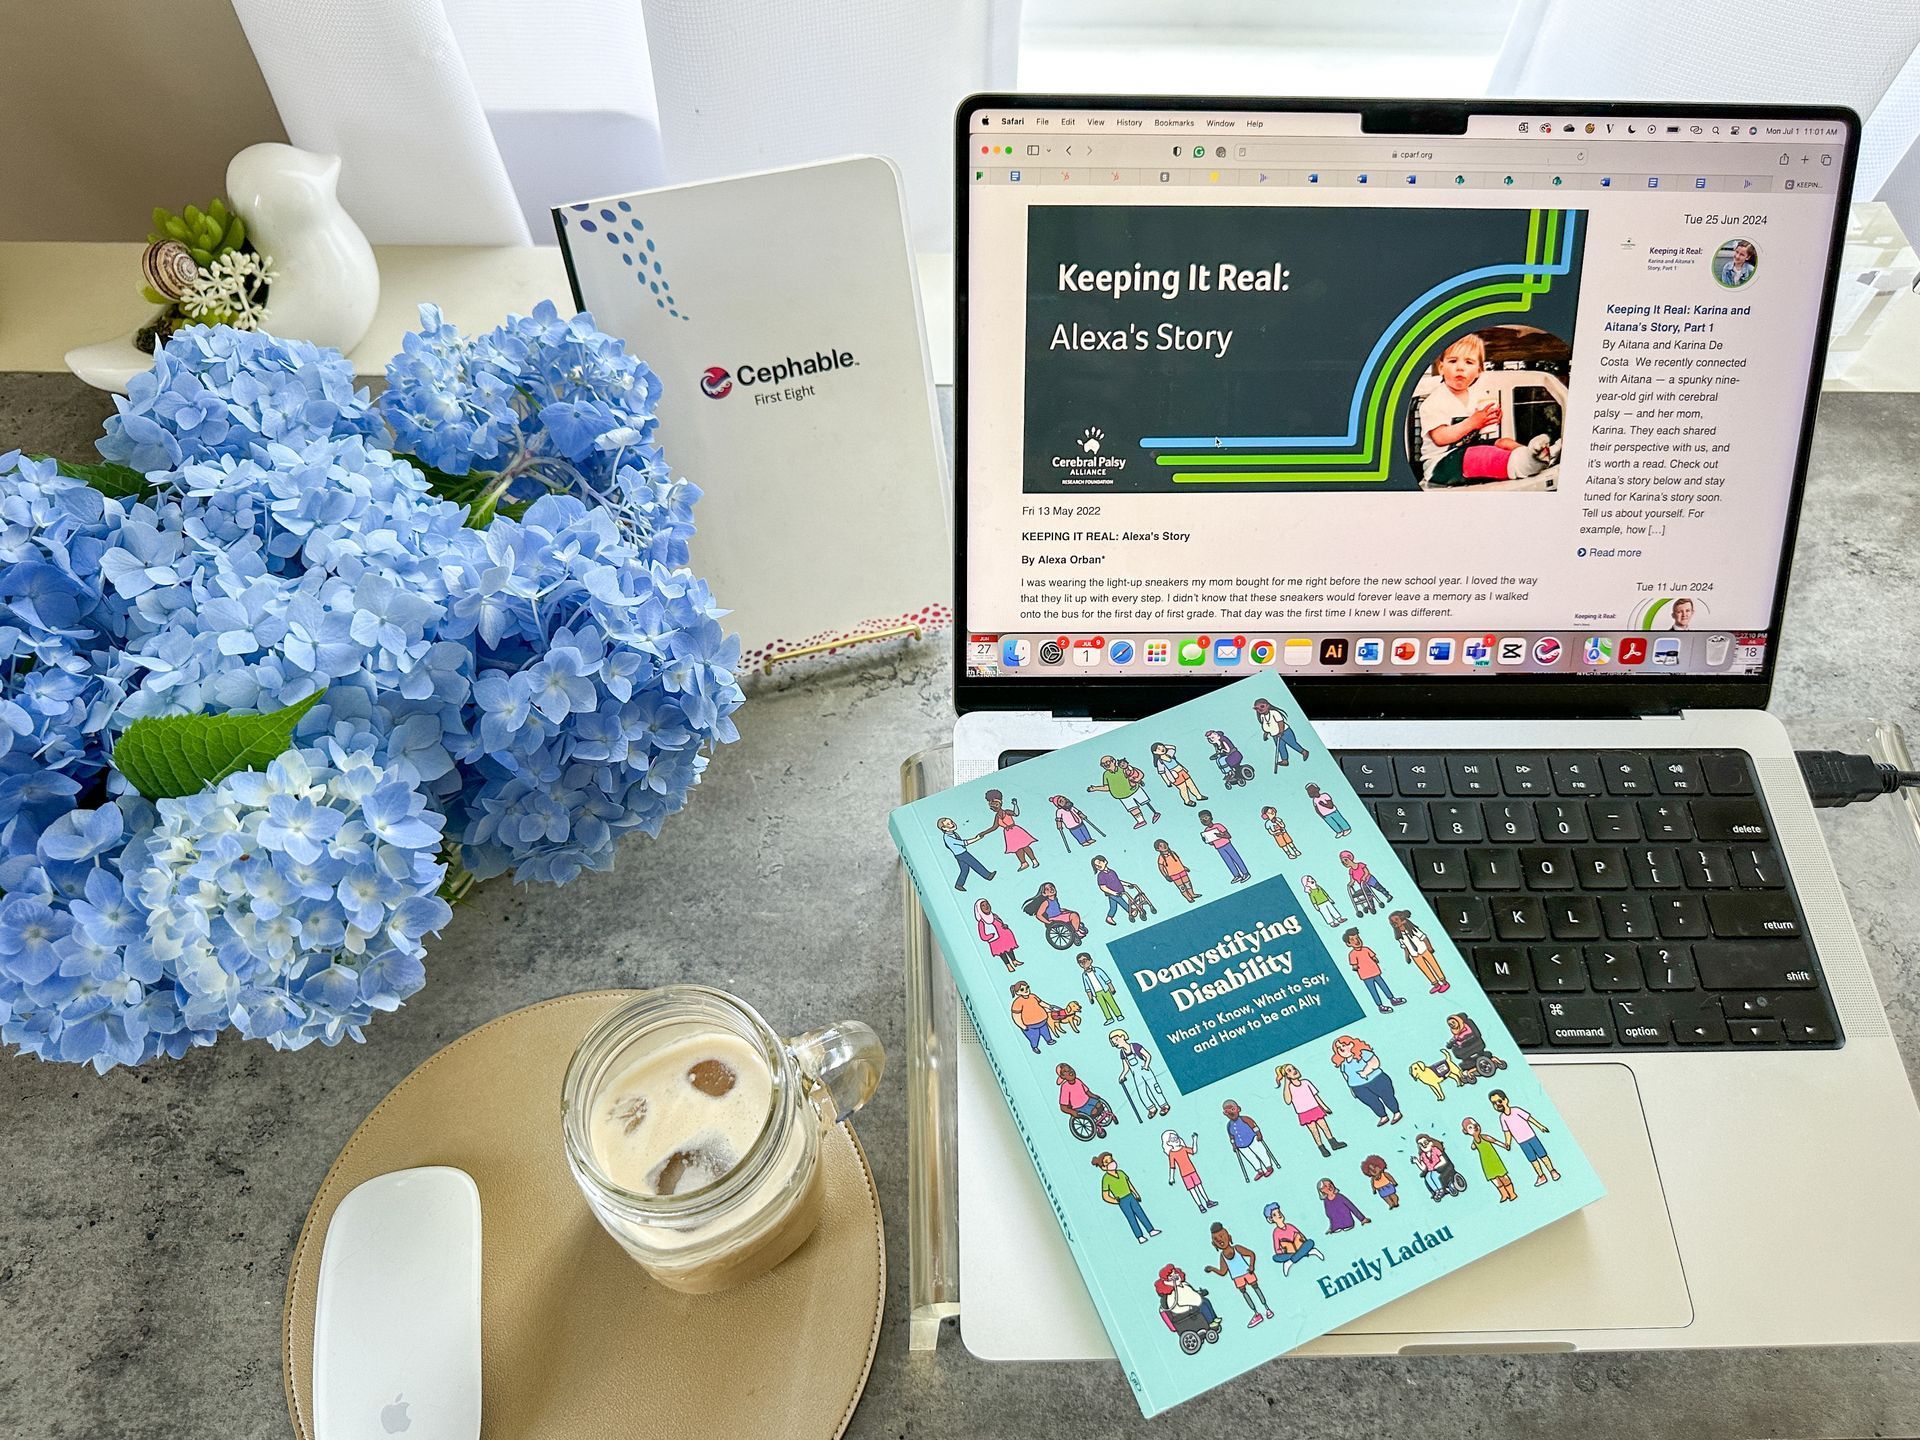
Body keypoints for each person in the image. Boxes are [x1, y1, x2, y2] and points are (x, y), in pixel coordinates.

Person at [1419, 333, 1558, 489]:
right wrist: (1474, 422)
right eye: (1453, 361)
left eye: (1468, 362)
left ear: (1479, 370)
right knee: (1480, 455)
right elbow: (1440, 438)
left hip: (1469, 451)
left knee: (1502, 442)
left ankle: (1533, 455)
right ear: (1442, 368)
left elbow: (1481, 427)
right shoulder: (1435, 401)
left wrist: (1491, 418)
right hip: (1440, 464)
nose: (1460, 367)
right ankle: (1527, 465)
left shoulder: (1476, 395)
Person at [1205, 1222, 1273, 1327]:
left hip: (1247, 1272)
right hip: (1237, 1277)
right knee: (1245, 1293)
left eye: (1221, 1236)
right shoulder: (1222, 1256)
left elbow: (1251, 1254)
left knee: (1256, 1288)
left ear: (1228, 1236)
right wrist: (1212, 1269)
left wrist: (1251, 1266)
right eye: (1216, 1239)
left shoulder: (1237, 1248)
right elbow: (1223, 1272)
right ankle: (1256, 1313)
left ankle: (1267, 1308)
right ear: (1214, 1244)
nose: (1219, 1240)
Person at [1491, 1089, 1560, 1186]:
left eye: (1499, 1101)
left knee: (1543, 1156)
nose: (1497, 1104)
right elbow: (1507, 1132)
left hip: (1532, 1137)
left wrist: (1540, 1127)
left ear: (1505, 1100)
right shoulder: (1502, 1118)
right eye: (1494, 1103)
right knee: (1533, 1160)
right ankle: (1541, 1176)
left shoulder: (1516, 1110)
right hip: (1522, 1142)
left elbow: (1529, 1118)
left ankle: (1552, 1171)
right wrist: (1508, 1143)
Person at [1331, 1033, 1403, 1125]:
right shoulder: (1343, 1064)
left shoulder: (1363, 1053)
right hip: (1358, 1087)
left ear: (1352, 1044)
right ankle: (1383, 1116)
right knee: (1372, 1102)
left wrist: (1366, 1072)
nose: (1341, 1048)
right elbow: (1346, 1077)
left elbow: (1375, 1062)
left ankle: (1396, 1112)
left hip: (1376, 1079)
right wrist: (1351, 1089)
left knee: (1387, 1096)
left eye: (1343, 1045)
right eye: (1338, 1048)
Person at [1276, 1062, 1345, 1157]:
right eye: (1289, 1070)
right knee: (1314, 1131)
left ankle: (1333, 1143)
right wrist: (1286, 1084)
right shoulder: (1290, 1088)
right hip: (1304, 1112)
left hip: (1315, 1108)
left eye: (1294, 1068)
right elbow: (1288, 1101)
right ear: (1287, 1076)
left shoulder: (1306, 1082)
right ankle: (1322, 1148)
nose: (1294, 1071)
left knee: (1325, 1127)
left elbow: (1316, 1096)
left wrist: (1325, 1107)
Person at [1094, 1151, 1160, 1242]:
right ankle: (1139, 1236)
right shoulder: (1106, 1179)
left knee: (1140, 1213)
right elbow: (1105, 1195)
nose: (1111, 1162)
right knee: (1131, 1218)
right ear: (1103, 1167)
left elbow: (1129, 1184)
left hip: (1130, 1196)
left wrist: (1136, 1194)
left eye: (1111, 1159)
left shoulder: (1121, 1173)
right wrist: (1115, 1201)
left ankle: (1151, 1230)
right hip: (1122, 1200)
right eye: (1107, 1162)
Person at [1088, 754, 1160, 828]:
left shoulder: (1122, 767)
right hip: (1122, 796)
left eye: (1107, 762)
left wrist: (1137, 779)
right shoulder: (1106, 774)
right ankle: (1141, 821)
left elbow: (1139, 773)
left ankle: (1155, 813)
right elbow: (1107, 787)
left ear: (1113, 761)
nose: (1106, 765)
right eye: (1103, 764)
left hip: (1135, 790)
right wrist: (1096, 788)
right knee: (1133, 809)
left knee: (1145, 802)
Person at [1343, 929, 1406, 1014]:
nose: (1357, 941)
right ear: (1348, 944)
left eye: (1357, 938)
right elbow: (1354, 965)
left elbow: (1373, 957)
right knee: (1373, 991)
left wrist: (1375, 959)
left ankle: (1392, 999)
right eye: (1352, 940)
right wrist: (1355, 967)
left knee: (1384, 986)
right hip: (1366, 976)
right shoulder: (1352, 954)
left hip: (1375, 972)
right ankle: (1380, 1006)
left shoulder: (1366, 949)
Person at [974, 789, 1039, 870]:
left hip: (1016, 830)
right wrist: (983, 833)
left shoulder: (1006, 812)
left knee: (1025, 846)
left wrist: (1015, 805)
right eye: (992, 806)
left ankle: (1034, 860)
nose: (994, 807)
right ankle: (1024, 862)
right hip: (1008, 834)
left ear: (1000, 803)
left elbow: (1016, 813)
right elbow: (994, 827)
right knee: (1017, 849)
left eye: (996, 805)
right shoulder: (997, 817)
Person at [1110, 1029, 1171, 1116]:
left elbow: (1148, 1056)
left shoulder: (1135, 1046)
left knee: (1154, 1088)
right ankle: (1151, 1108)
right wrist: (1122, 1076)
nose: (1115, 1043)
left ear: (1122, 1037)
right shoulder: (1122, 1053)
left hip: (1145, 1071)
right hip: (1136, 1075)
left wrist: (1146, 1066)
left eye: (1116, 1039)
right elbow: (1126, 1067)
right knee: (1141, 1092)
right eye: (1113, 1042)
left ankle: (1164, 1105)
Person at [1388, 909, 1447, 993]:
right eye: (1392, 922)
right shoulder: (1400, 936)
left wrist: (1429, 947)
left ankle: (1444, 982)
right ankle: (1436, 984)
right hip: (1414, 955)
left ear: (1403, 920)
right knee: (1425, 969)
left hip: (1424, 950)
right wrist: (1407, 956)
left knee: (1434, 965)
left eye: (1396, 920)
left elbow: (1424, 938)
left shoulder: (1413, 929)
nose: (1395, 923)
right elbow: (1405, 947)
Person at [1462, 1116, 1517, 1201]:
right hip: (1486, 1162)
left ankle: (1512, 1193)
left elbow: (1494, 1141)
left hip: (1494, 1159)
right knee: (1495, 1180)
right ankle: (1504, 1194)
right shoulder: (1474, 1142)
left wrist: (1504, 1145)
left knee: (1503, 1177)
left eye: (1475, 1125)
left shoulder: (1484, 1137)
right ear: (1466, 1131)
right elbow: (1473, 1147)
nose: (1475, 1127)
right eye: (1470, 1127)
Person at [1221, 1099, 1277, 1180]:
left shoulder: (1245, 1119)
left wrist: (1258, 1134)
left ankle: (1269, 1167)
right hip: (1241, 1145)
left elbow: (1254, 1126)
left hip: (1253, 1139)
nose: (1230, 1113)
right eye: (1227, 1111)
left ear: (1238, 1109)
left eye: (1232, 1109)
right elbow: (1231, 1136)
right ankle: (1259, 1170)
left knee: (1261, 1152)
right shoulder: (1229, 1125)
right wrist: (1233, 1145)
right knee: (1251, 1158)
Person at [1263, 1203, 1326, 1275]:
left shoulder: (1290, 1226)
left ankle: (1291, 1261)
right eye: (1274, 1215)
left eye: (1279, 1212)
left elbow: (1302, 1236)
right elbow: (1277, 1247)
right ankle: (1308, 1252)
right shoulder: (1276, 1232)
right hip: (1289, 1252)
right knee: (1275, 1257)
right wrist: (1282, 1253)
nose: (1279, 1215)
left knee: (1310, 1242)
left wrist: (1303, 1243)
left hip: (1299, 1247)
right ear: (1271, 1219)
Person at [1163, 1129, 1217, 1211]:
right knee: (1192, 1190)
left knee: (1200, 1186)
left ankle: (1208, 1201)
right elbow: (1172, 1166)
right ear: (1168, 1143)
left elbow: (1193, 1151)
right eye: (1173, 1139)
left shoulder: (1183, 1148)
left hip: (1192, 1171)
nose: (1176, 1140)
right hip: (1185, 1175)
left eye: (1176, 1138)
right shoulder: (1172, 1154)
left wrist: (1194, 1140)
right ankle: (1200, 1205)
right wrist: (1171, 1177)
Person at [937, 815, 995, 891]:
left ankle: (959, 884)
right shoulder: (948, 837)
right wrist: (976, 839)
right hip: (962, 854)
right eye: (948, 824)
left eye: (951, 822)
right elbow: (963, 843)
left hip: (960, 854)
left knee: (965, 870)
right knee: (975, 864)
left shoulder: (953, 833)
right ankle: (987, 875)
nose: (952, 824)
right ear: (944, 828)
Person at [1154, 1263, 1218, 1332]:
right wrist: (1188, 1307)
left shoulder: (1183, 1284)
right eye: (1171, 1276)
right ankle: (1210, 1322)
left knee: (1205, 1301)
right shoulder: (1171, 1293)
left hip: (1193, 1302)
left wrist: (1200, 1293)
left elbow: (1190, 1292)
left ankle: (1214, 1318)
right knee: (1202, 1306)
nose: (1174, 1276)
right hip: (1185, 1310)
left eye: (1174, 1273)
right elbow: (1174, 1307)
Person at [1251, 697, 1310, 770]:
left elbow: (1280, 722)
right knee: (1280, 747)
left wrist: (1281, 731)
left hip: (1285, 732)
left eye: (1262, 706)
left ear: (1268, 706)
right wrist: (1266, 733)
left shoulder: (1274, 713)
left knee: (1292, 743)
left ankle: (1304, 752)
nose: (1259, 709)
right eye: (1257, 708)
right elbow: (1266, 725)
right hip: (1275, 735)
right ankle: (1285, 760)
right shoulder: (1262, 716)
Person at [1197, 809, 1250, 884]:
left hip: (1227, 845)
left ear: (1211, 817)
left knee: (1236, 858)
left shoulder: (1218, 825)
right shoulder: (1206, 830)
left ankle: (1245, 873)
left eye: (1205, 818)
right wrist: (1206, 841)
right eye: (1201, 819)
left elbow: (1228, 835)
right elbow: (1212, 843)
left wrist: (1220, 835)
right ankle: (1237, 875)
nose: (1204, 820)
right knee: (1228, 862)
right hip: (1219, 848)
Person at [1055, 1062, 1108, 1135]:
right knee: (1094, 1111)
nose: (1070, 1071)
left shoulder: (1078, 1081)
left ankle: (1102, 1118)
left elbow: (1086, 1091)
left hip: (1087, 1100)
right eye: (1065, 1071)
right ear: (1063, 1076)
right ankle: (1096, 1123)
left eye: (1070, 1068)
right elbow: (1063, 1106)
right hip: (1079, 1107)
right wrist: (1072, 1112)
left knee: (1099, 1105)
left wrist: (1093, 1095)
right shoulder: (1065, 1087)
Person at [1150, 741, 1206, 807]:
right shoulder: (1160, 762)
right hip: (1175, 776)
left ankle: (1198, 796)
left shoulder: (1169, 754)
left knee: (1191, 784)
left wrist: (1165, 746)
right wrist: (1167, 782)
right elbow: (1162, 773)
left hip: (1182, 771)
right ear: (1155, 752)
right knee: (1183, 788)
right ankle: (1187, 801)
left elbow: (1173, 747)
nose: (1162, 749)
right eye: (1158, 749)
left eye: (1162, 747)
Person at [1009, 980, 1056, 1052]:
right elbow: (1016, 1016)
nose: (1026, 990)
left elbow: (1041, 1003)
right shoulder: (1017, 1002)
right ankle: (1035, 1047)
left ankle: (1049, 1040)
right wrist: (1022, 1026)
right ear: (1017, 992)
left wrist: (1049, 1006)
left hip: (1043, 1021)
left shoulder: (1033, 996)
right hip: (1030, 1026)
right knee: (1034, 1038)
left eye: (1027, 987)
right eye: (1022, 989)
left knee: (1046, 1033)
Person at [1077, 952, 1123, 1024]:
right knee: (1103, 1006)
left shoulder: (1098, 970)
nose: (1083, 963)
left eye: (1084, 960)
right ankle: (1109, 1018)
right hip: (1096, 993)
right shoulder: (1084, 975)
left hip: (1105, 990)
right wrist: (1090, 998)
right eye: (1080, 962)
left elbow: (1107, 980)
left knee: (1112, 1003)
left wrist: (1112, 988)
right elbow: (1087, 988)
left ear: (1090, 960)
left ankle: (1119, 1015)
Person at [976, 899, 1020, 972]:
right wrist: (990, 936)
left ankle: (1014, 960)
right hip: (996, 940)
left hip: (1004, 936)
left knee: (1009, 949)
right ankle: (1008, 965)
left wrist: (1004, 926)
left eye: (987, 904)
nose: (986, 906)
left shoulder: (994, 915)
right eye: (983, 906)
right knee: (1002, 953)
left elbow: (1000, 922)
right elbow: (982, 936)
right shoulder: (981, 922)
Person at [1154, 837, 1199, 903]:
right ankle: (1188, 898)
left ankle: (1192, 894)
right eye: (1161, 846)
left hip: (1182, 871)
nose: (1164, 846)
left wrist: (1184, 867)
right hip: (1173, 874)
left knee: (1187, 884)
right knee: (1182, 887)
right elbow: (1161, 868)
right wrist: (1166, 876)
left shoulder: (1173, 853)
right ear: (1158, 849)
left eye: (1164, 844)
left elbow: (1178, 862)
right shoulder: (1161, 858)